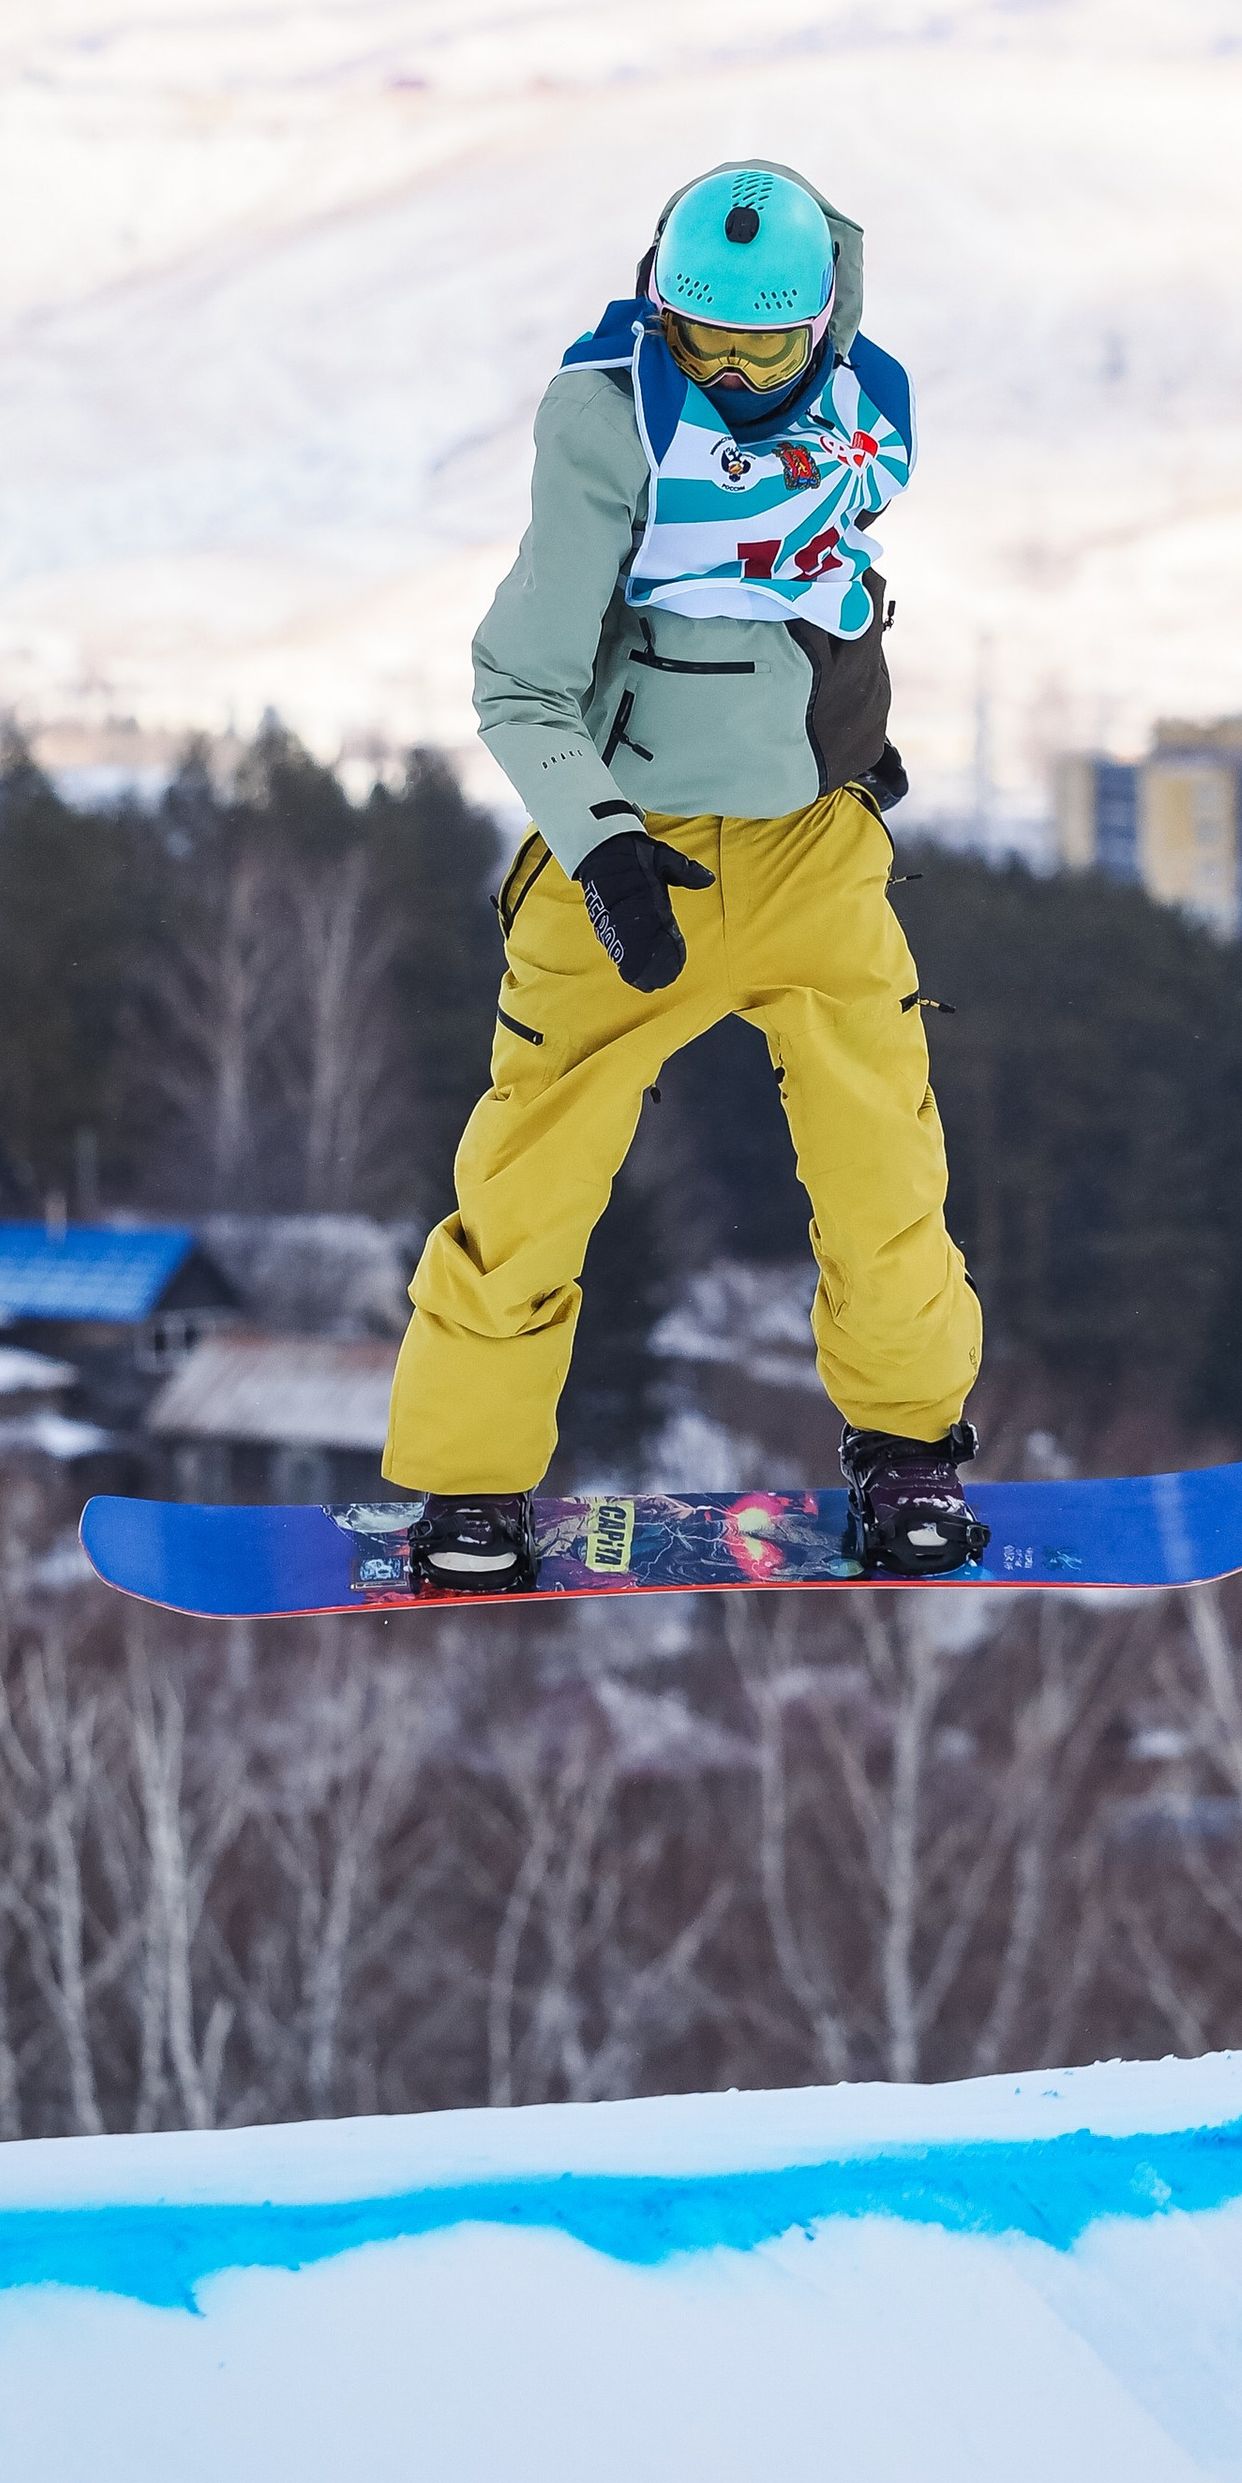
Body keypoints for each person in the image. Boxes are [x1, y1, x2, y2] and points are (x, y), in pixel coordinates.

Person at [382, 159, 986, 1592]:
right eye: (699, 339)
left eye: (763, 346)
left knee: (882, 1171)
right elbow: (519, 684)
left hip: (811, 857)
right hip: (631, 857)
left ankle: (910, 1458)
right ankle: (470, 1495)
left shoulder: (856, 420)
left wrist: (848, 744)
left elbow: (819, 601)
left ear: (822, 329)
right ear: (662, 311)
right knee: (526, 1182)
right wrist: (603, 854)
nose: (728, 372)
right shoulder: (608, 425)